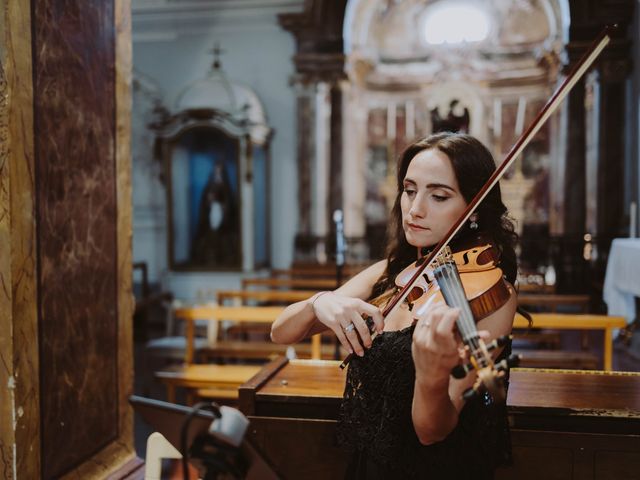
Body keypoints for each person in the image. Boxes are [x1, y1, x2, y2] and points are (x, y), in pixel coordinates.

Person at [271, 132, 519, 479]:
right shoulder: (389, 273)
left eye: (439, 196)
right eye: (410, 189)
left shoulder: (491, 294)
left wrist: (431, 376)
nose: (415, 209)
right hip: (370, 465)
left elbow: (431, 432)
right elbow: (280, 332)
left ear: (474, 209)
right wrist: (320, 303)